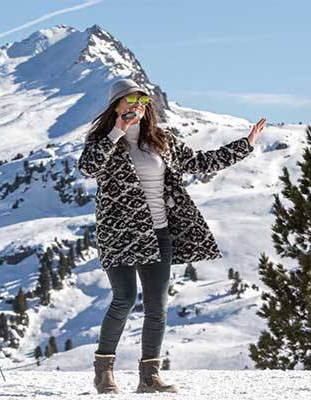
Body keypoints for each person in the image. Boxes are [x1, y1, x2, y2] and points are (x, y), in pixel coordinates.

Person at [78, 79, 266, 393]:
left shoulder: (161, 140)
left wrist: (244, 145)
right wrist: (117, 132)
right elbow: (89, 167)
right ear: (116, 106)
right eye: (129, 99)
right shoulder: (104, 140)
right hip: (118, 233)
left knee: (157, 306)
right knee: (123, 298)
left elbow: (200, 162)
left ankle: (150, 376)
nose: (136, 104)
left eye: (142, 98)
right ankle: (103, 372)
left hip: (158, 232)